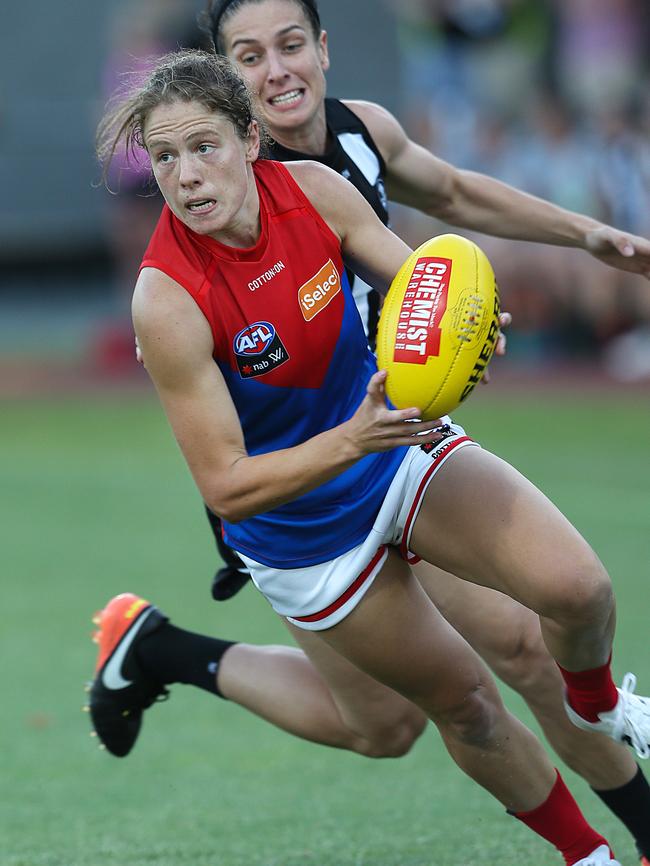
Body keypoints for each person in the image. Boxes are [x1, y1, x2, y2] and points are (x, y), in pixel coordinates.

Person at [88, 46, 650, 866]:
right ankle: (588, 858)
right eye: (165, 157)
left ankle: (597, 704)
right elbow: (227, 485)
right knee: (461, 707)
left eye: (203, 147)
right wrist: (354, 435)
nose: (186, 176)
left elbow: (423, 283)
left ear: (251, 140)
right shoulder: (167, 297)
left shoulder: (314, 191)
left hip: (395, 450)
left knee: (578, 589)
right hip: (305, 534)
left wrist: (468, 323)